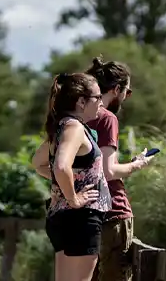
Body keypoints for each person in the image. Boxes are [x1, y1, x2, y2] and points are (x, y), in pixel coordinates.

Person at [31, 72, 111, 281]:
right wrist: (73, 198)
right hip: (81, 218)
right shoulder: (74, 128)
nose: (102, 103)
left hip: (62, 217)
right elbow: (60, 166)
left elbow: (38, 163)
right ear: (81, 102)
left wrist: (70, 184)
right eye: (97, 97)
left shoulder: (61, 127)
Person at [84, 57, 154, 281]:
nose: (126, 97)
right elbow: (108, 171)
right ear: (116, 90)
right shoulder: (107, 118)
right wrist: (136, 164)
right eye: (127, 91)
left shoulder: (76, 118)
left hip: (83, 215)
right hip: (112, 214)